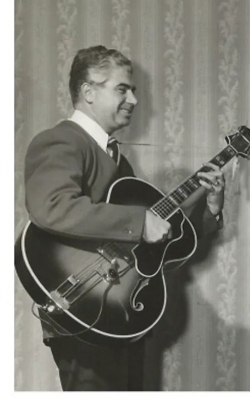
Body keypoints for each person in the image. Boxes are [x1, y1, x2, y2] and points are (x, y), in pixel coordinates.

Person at [21, 45, 226, 390]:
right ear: (88, 92)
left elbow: (160, 236)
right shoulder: (61, 141)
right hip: (82, 309)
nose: (133, 99)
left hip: (119, 313)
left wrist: (211, 207)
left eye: (133, 90)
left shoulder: (117, 159)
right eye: (122, 89)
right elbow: (51, 206)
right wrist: (139, 221)